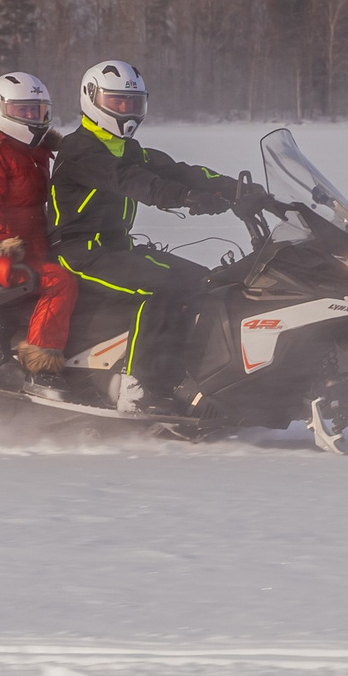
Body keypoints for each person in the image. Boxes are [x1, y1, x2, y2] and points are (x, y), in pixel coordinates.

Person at [46, 61, 258, 412]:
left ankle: (185, 375)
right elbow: (132, 181)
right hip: (78, 252)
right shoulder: (80, 150)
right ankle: (139, 386)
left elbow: (178, 171)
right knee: (160, 287)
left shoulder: (126, 148)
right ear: (92, 100)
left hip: (116, 248)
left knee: (204, 281)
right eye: (117, 103)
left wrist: (238, 189)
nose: (126, 112)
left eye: (133, 104)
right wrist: (182, 198)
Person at [0, 73, 77, 379]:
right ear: (0, 109)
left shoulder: (37, 153)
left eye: (37, 111)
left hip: (42, 243)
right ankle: (41, 365)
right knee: (61, 282)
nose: (32, 118)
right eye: (24, 111)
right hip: (15, 252)